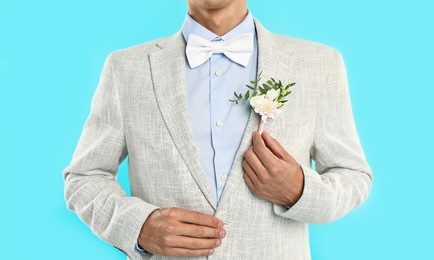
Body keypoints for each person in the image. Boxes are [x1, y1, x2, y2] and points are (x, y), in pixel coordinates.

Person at [63, 0, 372, 259]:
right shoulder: (126, 69)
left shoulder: (318, 64)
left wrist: (299, 190)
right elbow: (84, 178)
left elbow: (353, 177)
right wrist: (139, 226)